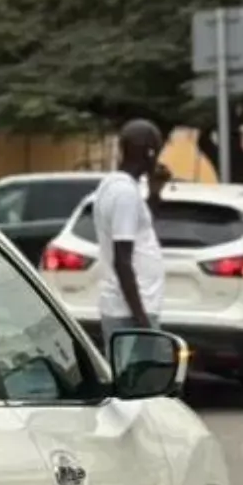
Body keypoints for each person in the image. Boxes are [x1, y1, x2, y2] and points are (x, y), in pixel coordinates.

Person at [91, 119, 169, 338]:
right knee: (145, 372)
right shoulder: (124, 194)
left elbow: (139, 229)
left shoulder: (116, 186)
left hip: (128, 310)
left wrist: (154, 192)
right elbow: (122, 259)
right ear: (149, 153)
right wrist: (141, 317)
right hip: (130, 314)